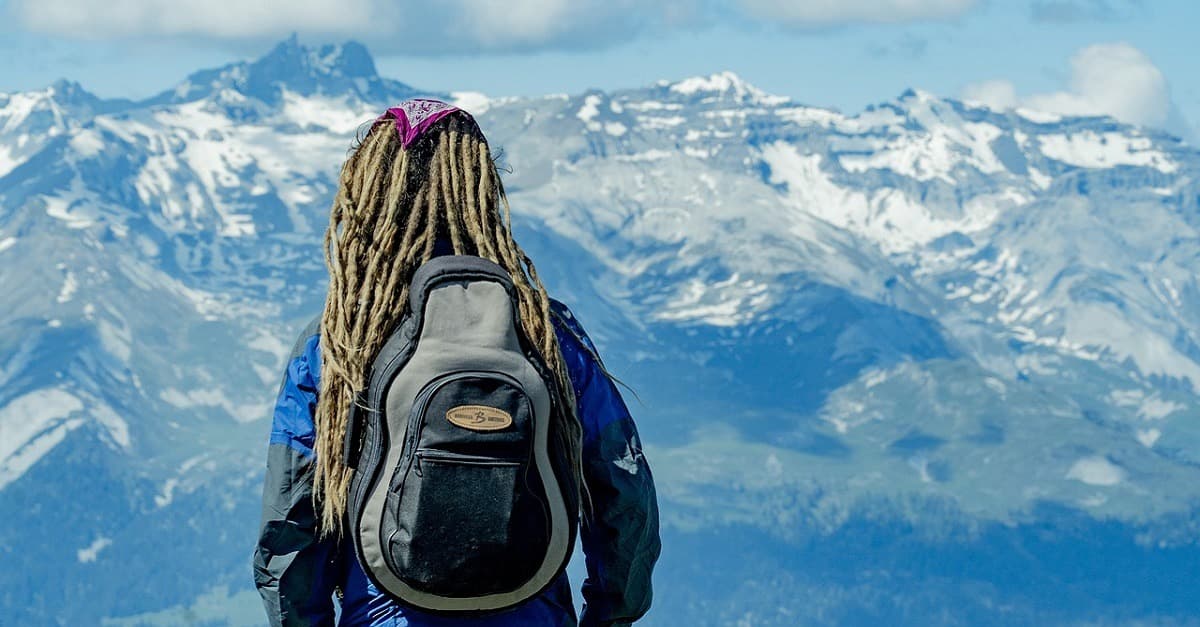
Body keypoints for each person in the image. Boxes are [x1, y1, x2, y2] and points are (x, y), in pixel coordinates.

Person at [252, 99, 661, 627]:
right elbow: (623, 489)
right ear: (482, 191)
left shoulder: (338, 341)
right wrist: (609, 616)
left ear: (368, 196)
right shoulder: (544, 332)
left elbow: (290, 519)